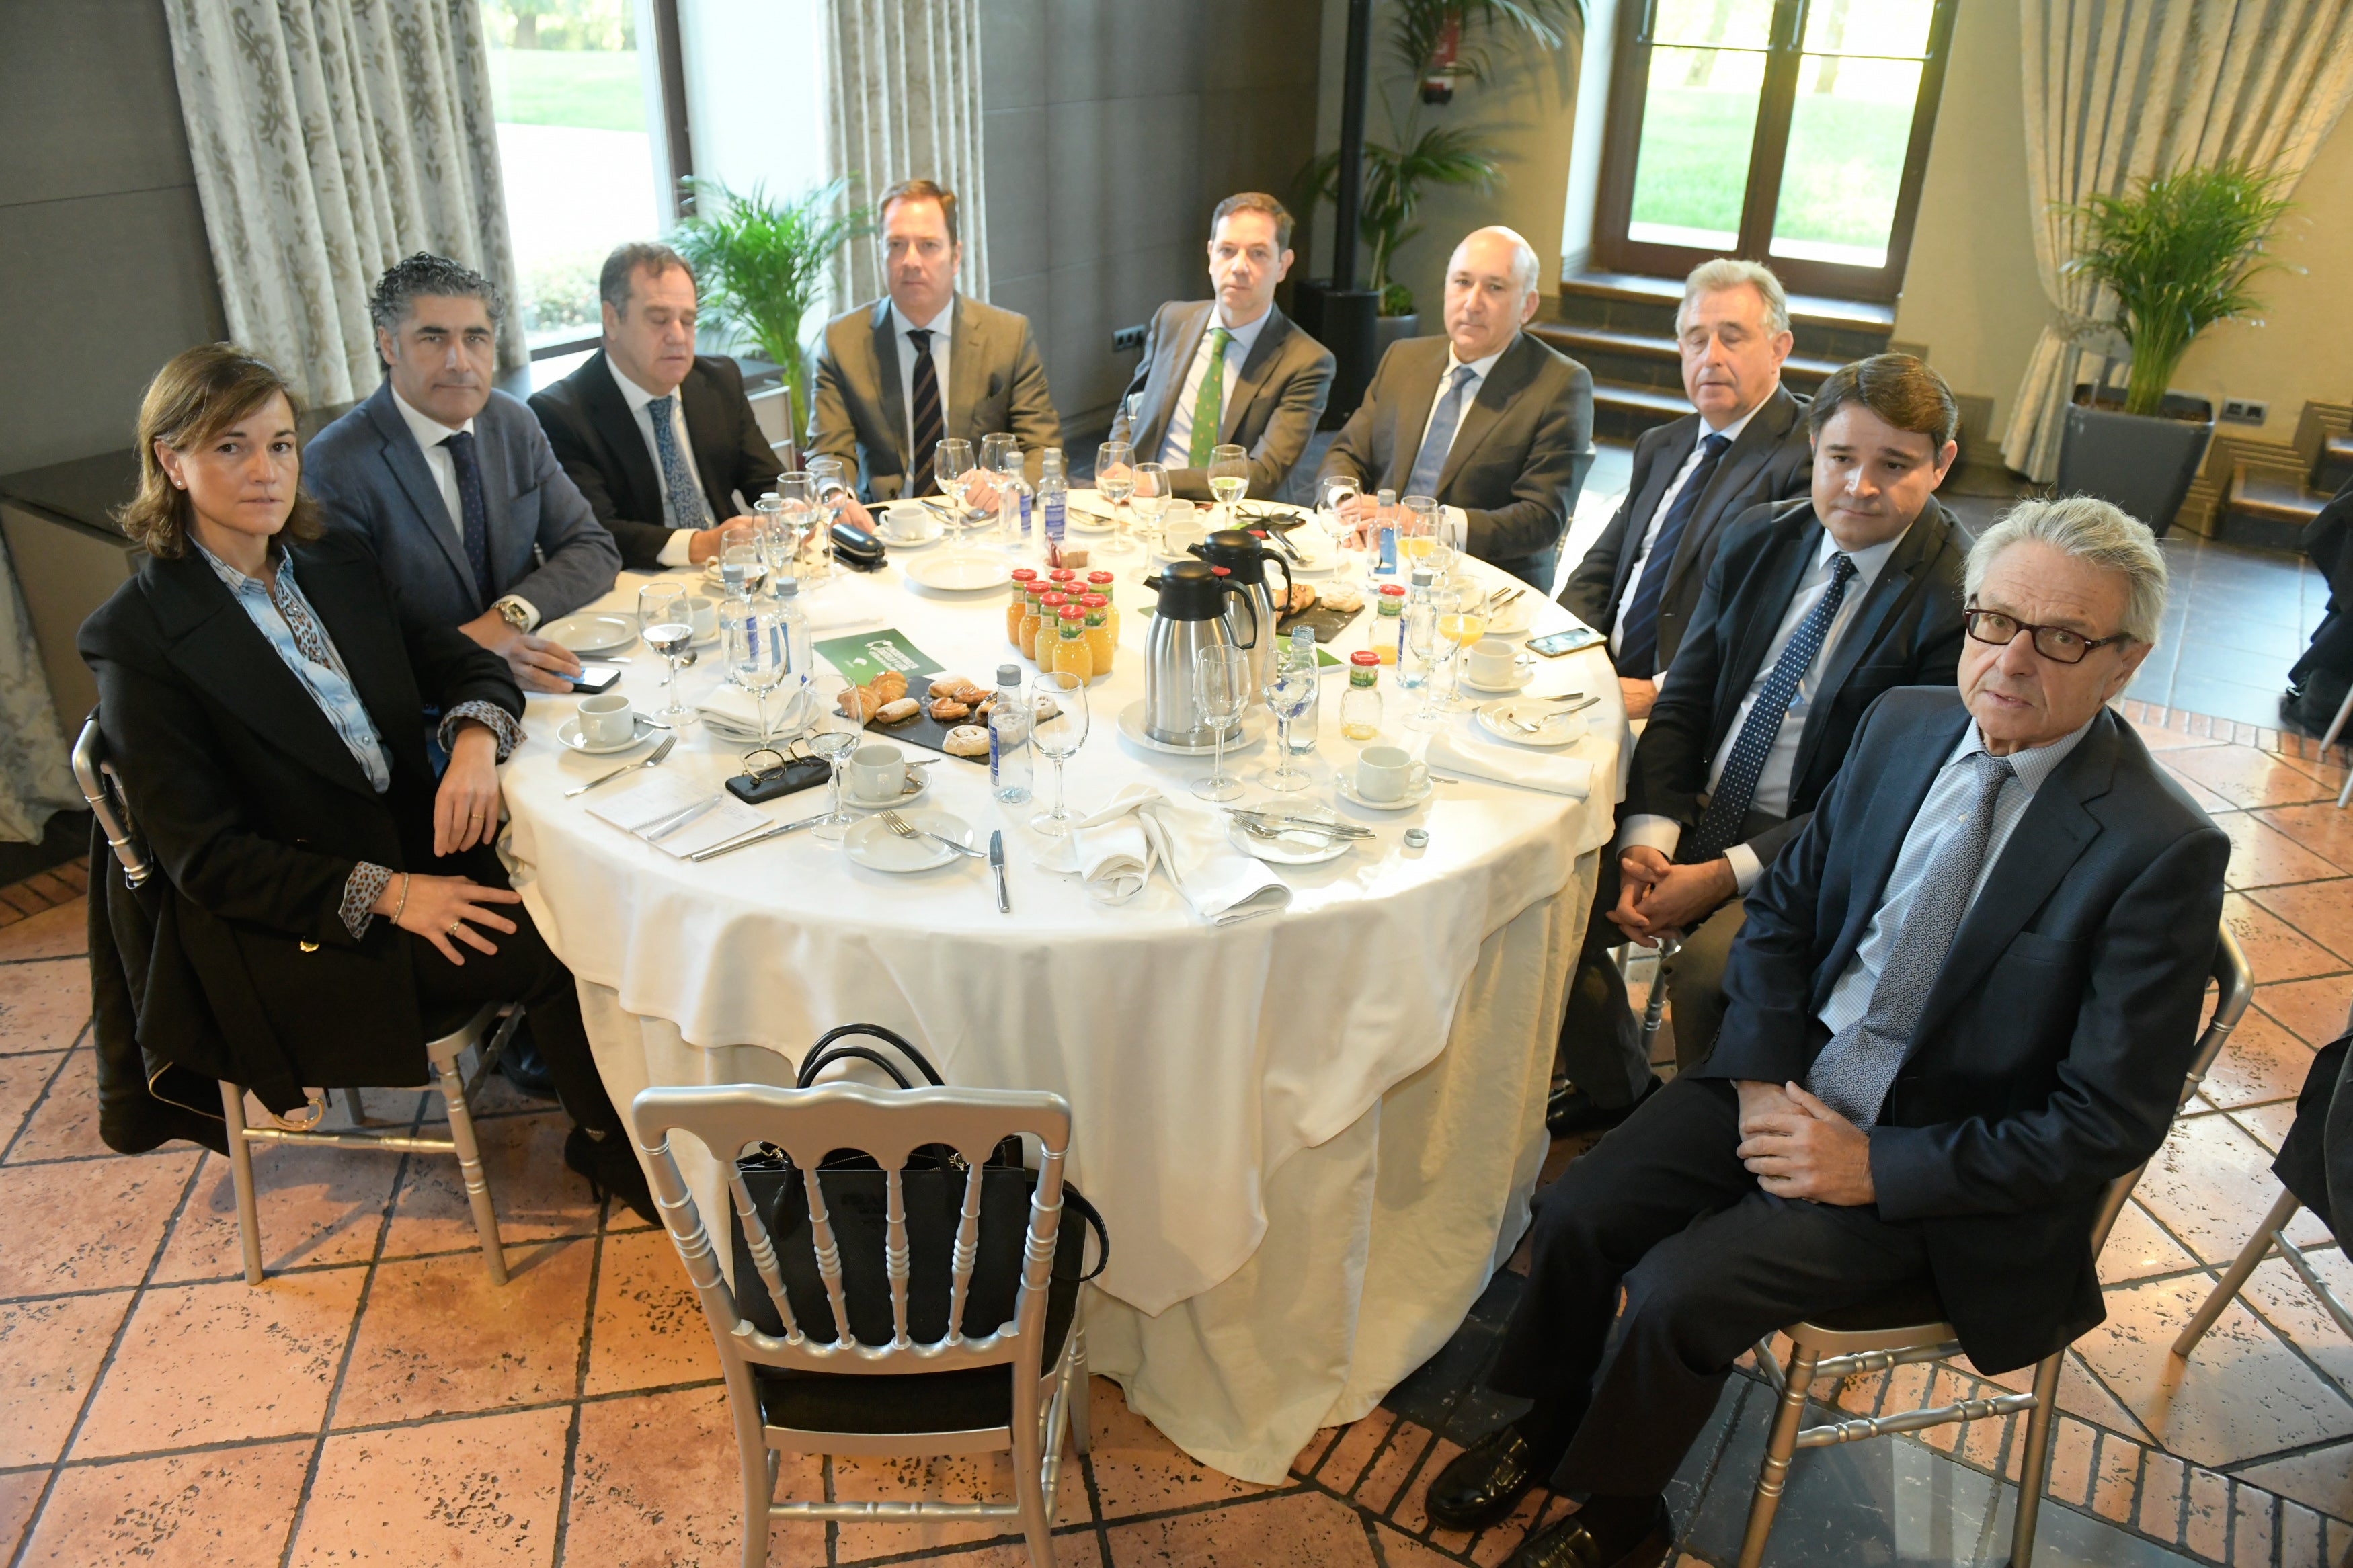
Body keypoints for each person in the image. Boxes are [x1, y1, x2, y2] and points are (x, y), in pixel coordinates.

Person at [1419, 495, 2227, 1568]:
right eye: (1995, 621)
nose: (2013, 661)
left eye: (2064, 637)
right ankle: (1553, 1420)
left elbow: (2106, 1121)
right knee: (1575, 1212)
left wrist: (1872, 1166)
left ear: (2124, 662)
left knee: (1672, 1295)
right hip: (1788, 1076)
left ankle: (1623, 1517)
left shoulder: (2157, 849)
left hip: (1934, 1165)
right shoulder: (1904, 723)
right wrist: (1754, 1080)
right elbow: (1787, 916)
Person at [79, 345, 654, 1220]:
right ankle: (615, 1149)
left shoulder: (333, 557)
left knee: (598, 880)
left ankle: (649, 1112)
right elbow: (210, 861)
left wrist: (469, 743)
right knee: (558, 947)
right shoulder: (139, 636)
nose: (266, 472)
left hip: (402, 842)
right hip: (293, 927)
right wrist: (395, 895)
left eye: (281, 444)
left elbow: (464, 661)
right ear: (171, 460)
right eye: (231, 447)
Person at [1550, 354, 1970, 1136]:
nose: (1858, 486)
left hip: (1817, 843)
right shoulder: (1757, 538)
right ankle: (1622, 1097)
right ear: (1815, 445)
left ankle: (1719, 1149)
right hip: (1700, 807)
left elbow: (1882, 798)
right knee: (1555, 899)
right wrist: (1652, 838)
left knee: (1720, 972)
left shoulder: (1953, 601)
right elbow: (1683, 705)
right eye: (1841, 458)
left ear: (1940, 464)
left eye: (1894, 464)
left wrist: (1718, 877)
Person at [305, 253, 621, 697]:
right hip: (430, 712)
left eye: (476, 338)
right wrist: (472, 655)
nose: (459, 361)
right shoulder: (335, 463)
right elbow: (359, 640)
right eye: (434, 339)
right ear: (389, 345)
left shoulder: (513, 422)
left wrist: (509, 615)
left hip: (537, 681)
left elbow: (593, 548)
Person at [1557, 259, 1814, 720]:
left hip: (1684, 709)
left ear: (1779, 349)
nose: (1711, 356)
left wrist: (1659, 693)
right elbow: (1601, 567)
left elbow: (1767, 618)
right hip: (1599, 674)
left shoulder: (1807, 455)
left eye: (1732, 338)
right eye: (1697, 339)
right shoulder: (1661, 444)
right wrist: (1567, 653)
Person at [1318, 226, 1593, 591]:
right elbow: (1346, 452)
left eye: (1495, 287)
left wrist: (1426, 524)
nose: (1472, 303)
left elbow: (1541, 519)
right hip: (1376, 567)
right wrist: (1347, 504)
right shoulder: (1404, 358)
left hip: (1483, 589)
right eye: (1462, 282)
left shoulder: (1559, 384)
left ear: (1527, 306)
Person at [528, 242, 788, 570]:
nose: (678, 336)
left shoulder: (718, 381)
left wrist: (792, 507)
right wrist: (700, 544)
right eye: (659, 319)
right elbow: (596, 531)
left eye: (688, 320)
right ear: (611, 320)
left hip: (732, 574)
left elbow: (766, 481)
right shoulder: (561, 413)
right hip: (638, 585)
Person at [807, 178, 1061, 505]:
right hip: (885, 530)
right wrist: (835, 495)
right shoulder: (842, 341)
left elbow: (1043, 450)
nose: (910, 260)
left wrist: (1008, 484)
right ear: (880, 254)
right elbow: (827, 452)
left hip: (979, 524)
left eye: (928, 245)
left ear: (955, 256)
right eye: (896, 244)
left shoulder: (1008, 337)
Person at [1104, 192, 1334, 503]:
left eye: (1258, 254)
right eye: (1227, 251)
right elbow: (1131, 404)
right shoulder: (1171, 320)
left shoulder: (1307, 361)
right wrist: (1119, 462)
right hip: (1142, 505)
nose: (1239, 267)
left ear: (1283, 265)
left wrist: (1156, 483)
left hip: (1234, 517)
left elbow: (1264, 474)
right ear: (1211, 256)